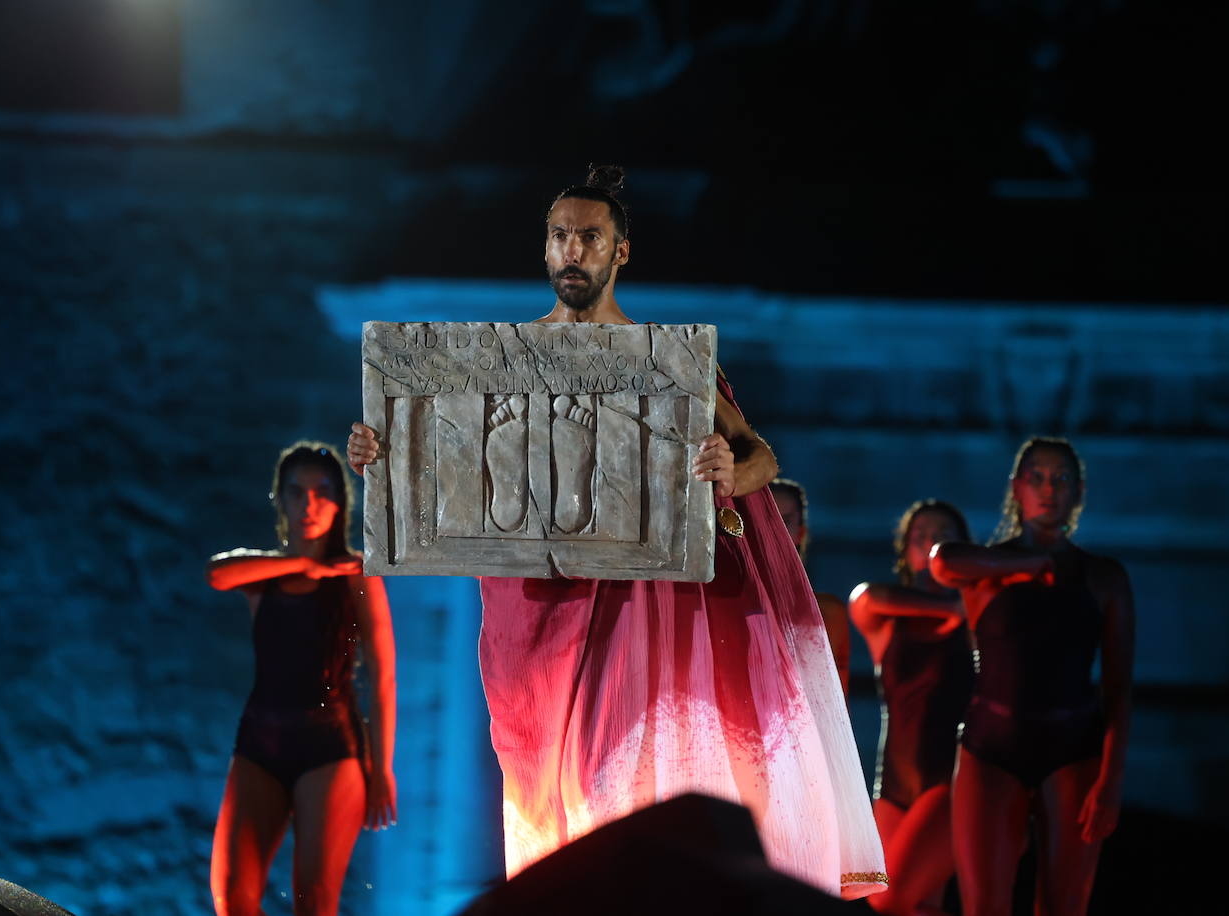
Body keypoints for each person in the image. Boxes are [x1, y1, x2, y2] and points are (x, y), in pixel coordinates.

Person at [348, 166, 884, 899]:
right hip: (536, 602)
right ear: (545, 249)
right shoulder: (497, 361)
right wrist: (383, 458)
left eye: (590, 237)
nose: (573, 249)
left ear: (619, 252)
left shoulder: (670, 360)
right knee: (548, 785)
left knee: (616, 771)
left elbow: (761, 457)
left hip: (637, 599)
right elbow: (445, 473)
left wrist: (732, 466)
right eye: (560, 236)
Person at [929, 438, 1134, 916]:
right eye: (1037, 478)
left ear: (1078, 491)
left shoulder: (1104, 576)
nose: (1049, 489)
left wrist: (1112, 778)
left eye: (1061, 479)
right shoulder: (986, 568)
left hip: (1073, 746)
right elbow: (942, 561)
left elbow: (1119, 687)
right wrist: (1032, 563)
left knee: (1064, 906)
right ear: (1017, 488)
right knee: (984, 907)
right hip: (990, 745)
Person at [206, 442, 397, 916]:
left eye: (322, 493)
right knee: (232, 898)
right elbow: (217, 574)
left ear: (340, 501)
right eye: (297, 493)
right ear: (281, 499)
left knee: (314, 904)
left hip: (330, 746)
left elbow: (384, 676)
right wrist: (303, 563)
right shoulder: (263, 575)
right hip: (259, 743)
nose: (309, 505)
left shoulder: (357, 574)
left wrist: (382, 767)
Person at [849, 500, 975, 916]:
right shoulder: (889, 617)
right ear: (905, 551)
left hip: (950, 779)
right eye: (920, 536)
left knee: (891, 897)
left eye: (943, 535)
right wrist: (948, 609)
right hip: (894, 784)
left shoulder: (979, 615)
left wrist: (962, 607)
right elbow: (862, 599)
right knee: (914, 904)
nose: (932, 542)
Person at [769, 477, 851, 694]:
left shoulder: (826, 613)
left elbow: (836, 702)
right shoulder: (723, 603)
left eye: (784, 522)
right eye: (764, 519)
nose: (773, 532)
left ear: (800, 532)